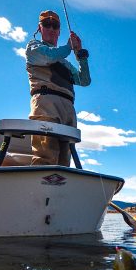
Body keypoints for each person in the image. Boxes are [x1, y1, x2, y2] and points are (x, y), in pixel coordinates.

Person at [25, 10, 91, 166]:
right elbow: (49, 55)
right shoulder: (33, 47)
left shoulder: (65, 62)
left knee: (64, 160)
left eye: (55, 26)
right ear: (39, 28)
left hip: (68, 108)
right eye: (46, 25)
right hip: (46, 104)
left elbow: (84, 80)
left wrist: (80, 55)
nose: (51, 29)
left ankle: (59, 189)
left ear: (59, 31)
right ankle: (39, 188)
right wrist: (68, 47)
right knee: (45, 155)